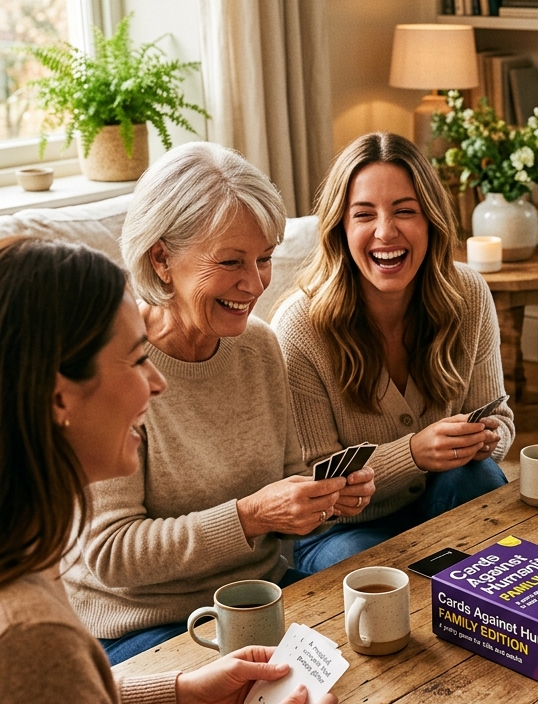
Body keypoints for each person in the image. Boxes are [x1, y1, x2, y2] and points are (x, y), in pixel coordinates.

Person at [0, 238, 433, 704]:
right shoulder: (30, 633)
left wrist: (177, 696)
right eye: (138, 361)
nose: (159, 384)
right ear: (57, 397)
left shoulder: (21, 560)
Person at [62, 142, 376, 664]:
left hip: (259, 600)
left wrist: (322, 500)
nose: (254, 284)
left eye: (264, 259)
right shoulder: (114, 366)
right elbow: (112, 554)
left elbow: (287, 479)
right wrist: (250, 516)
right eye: (230, 261)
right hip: (145, 625)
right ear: (161, 258)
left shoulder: (259, 346)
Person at [273, 132, 513, 571]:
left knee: (478, 477)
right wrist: (414, 454)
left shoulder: (470, 295)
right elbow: (312, 482)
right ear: (340, 228)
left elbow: (501, 421)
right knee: (373, 572)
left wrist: (487, 439)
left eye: (405, 211)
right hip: (339, 530)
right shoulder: (299, 327)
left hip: (442, 495)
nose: (386, 231)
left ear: (431, 221)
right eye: (364, 214)